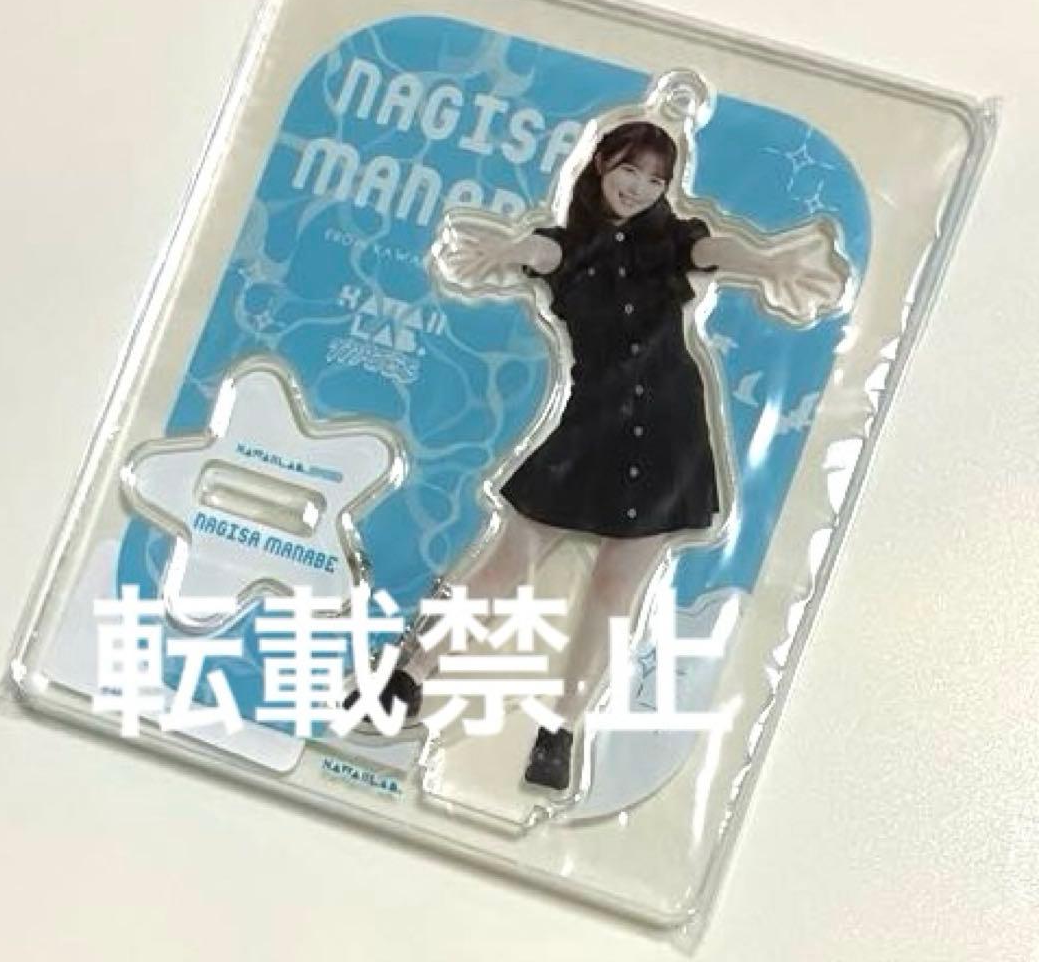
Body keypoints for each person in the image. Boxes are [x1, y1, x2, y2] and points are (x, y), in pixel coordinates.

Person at [358, 108, 847, 792]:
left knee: (616, 591)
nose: (639, 187)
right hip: (589, 426)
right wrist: (501, 252)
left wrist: (765, 263)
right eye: (629, 170)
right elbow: (539, 255)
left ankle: (559, 730)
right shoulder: (567, 246)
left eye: (655, 178)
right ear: (601, 165)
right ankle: (409, 677)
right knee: (507, 562)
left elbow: (715, 252)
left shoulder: (673, 242)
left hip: (670, 433)